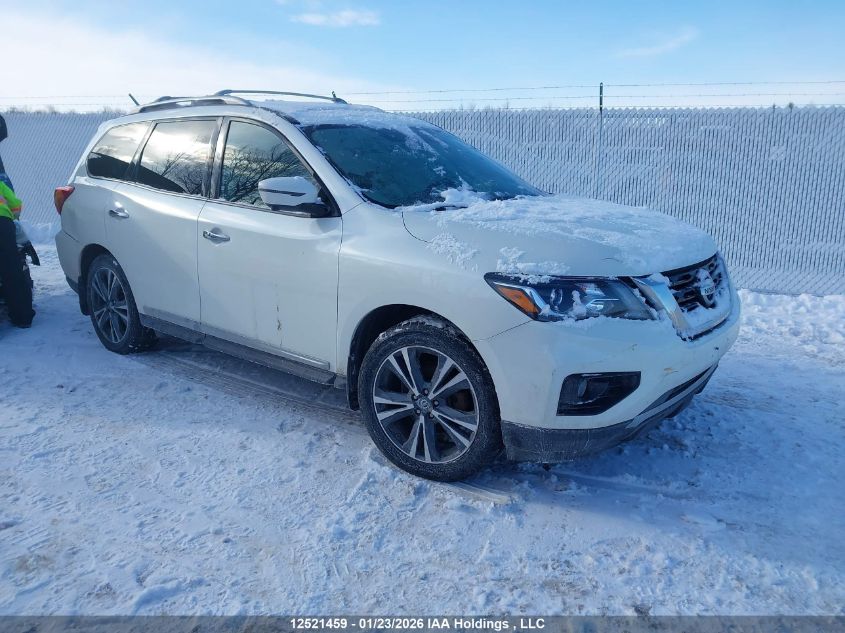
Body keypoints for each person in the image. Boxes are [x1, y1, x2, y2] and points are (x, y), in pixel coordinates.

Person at [0, 179, 34, 327]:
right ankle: (23, 318)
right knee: (12, 270)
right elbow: (15, 205)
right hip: (3, 224)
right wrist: (13, 216)